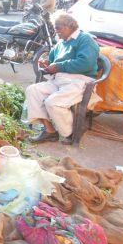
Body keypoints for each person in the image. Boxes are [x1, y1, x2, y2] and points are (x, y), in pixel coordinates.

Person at [25, 13, 100, 145]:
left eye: (58, 28)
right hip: (61, 79)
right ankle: (50, 131)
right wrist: (48, 62)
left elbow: (86, 63)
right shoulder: (62, 41)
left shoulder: (85, 39)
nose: (56, 32)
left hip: (80, 80)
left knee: (52, 102)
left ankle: (71, 132)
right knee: (33, 91)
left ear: (68, 26)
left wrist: (59, 66)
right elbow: (54, 59)